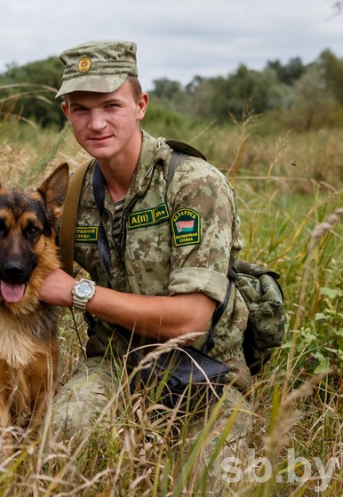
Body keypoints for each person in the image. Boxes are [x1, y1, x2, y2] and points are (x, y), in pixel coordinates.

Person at [38, 40, 252, 489]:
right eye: (80, 109)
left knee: (212, 478)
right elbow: (23, 267)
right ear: (66, 114)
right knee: (64, 438)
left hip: (204, 373)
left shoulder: (193, 184)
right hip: (113, 364)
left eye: (111, 105)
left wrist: (81, 293)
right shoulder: (73, 195)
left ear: (140, 105)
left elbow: (191, 322)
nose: (96, 123)